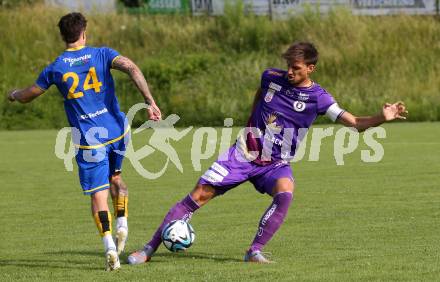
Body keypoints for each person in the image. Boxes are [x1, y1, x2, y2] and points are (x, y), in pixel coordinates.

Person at [128, 42, 407, 264]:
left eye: (296, 68)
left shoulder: (319, 98)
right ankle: (148, 249)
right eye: (289, 66)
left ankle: (254, 251)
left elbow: (355, 123)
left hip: (275, 164)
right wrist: (251, 122)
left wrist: (382, 117)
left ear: (311, 68)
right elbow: (260, 95)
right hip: (242, 155)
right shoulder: (271, 76)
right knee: (197, 195)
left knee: (285, 193)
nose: (290, 71)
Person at [7, 12, 162, 271]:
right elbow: (132, 67)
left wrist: (13, 94)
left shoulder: (56, 67)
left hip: (90, 141)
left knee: (98, 194)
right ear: (84, 32)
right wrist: (150, 101)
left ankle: (110, 247)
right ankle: (122, 223)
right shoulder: (102, 54)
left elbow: (28, 95)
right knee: (117, 177)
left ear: (62, 36)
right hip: (117, 132)